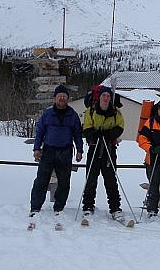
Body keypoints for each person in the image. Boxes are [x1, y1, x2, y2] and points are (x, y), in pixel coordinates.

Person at [30, 85, 83, 220]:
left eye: (64, 97)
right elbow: (40, 132)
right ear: (55, 98)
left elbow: (77, 134)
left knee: (64, 181)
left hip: (65, 151)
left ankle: (59, 207)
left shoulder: (72, 115)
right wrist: (37, 148)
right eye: (59, 96)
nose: (62, 98)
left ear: (67, 99)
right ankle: (35, 206)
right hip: (48, 150)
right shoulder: (47, 114)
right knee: (41, 179)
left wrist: (79, 150)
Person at [82, 86, 125, 221]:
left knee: (111, 180)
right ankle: (88, 206)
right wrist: (95, 135)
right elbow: (86, 128)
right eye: (103, 96)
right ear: (99, 98)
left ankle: (115, 208)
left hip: (109, 149)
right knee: (91, 179)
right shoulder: (90, 111)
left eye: (108, 96)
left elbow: (120, 126)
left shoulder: (116, 112)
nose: (105, 99)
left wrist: (108, 135)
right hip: (94, 148)